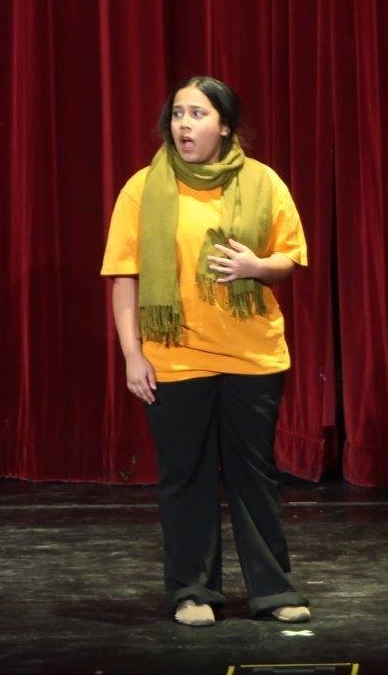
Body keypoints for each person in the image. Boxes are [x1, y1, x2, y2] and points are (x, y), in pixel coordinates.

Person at [101, 76, 310, 627]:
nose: (184, 125)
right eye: (177, 115)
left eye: (197, 114)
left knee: (254, 475)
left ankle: (273, 590)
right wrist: (132, 355)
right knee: (184, 477)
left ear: (225, 125)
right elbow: (125, 277)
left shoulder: (264, 183)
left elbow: (289, 259)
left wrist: (254, 268)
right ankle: (193, 592)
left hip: (251, 355)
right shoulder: (143, 188)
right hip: (174, 356)